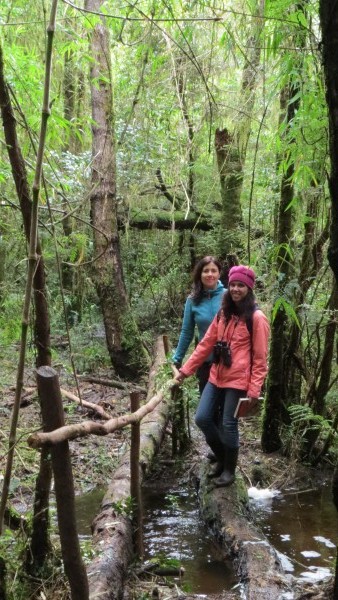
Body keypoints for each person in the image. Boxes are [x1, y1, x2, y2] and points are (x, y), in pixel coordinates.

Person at [174, 265, 270, 488]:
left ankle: (228, 471)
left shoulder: (257, 318)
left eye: (241, 286)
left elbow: (260, 359)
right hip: (216, 375)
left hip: (238, 381)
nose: (236, 289)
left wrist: (254, 390)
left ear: (249, 288)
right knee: (203, 418)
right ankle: (222, 457)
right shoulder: (223, 313)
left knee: (228, 424)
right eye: (233, 285)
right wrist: (186, 370)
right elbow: (205, 344)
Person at [172, 255, 225, 394]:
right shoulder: (192, 300)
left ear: (219, 273)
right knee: (206, 411)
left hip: (229, 361)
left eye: (214, 270)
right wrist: (177, 359)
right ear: (199, 274)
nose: (210, 274)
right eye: (206, 270)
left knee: (226, 409)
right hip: (205, 360)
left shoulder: (229, 296)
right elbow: (187, 332)